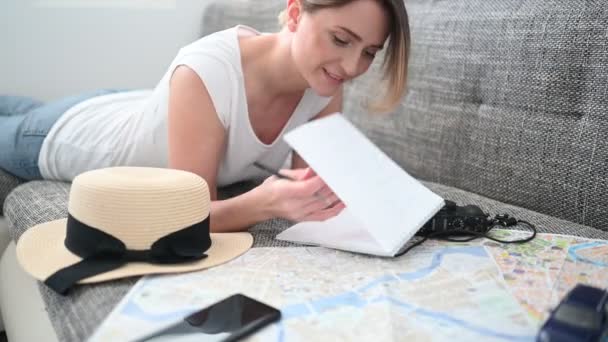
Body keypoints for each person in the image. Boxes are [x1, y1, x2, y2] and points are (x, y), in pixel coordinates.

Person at [0, 0, 410, 233]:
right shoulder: (210, 68)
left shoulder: (322, 89)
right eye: (341, 39)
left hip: (136, 106)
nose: (353, 66)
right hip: (68, 136)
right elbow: (190, 218)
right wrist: (264, 202)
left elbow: (311, 198)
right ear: (297, 12)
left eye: (370, 52)